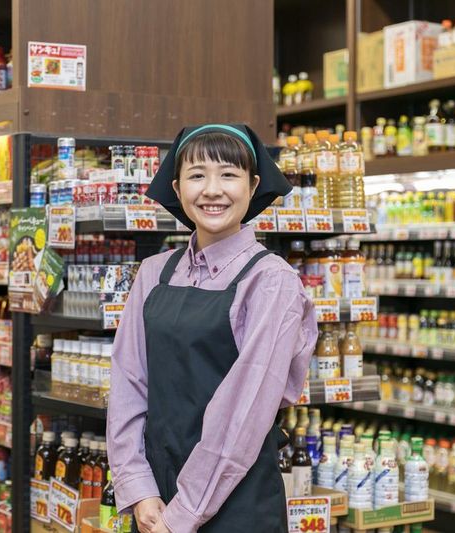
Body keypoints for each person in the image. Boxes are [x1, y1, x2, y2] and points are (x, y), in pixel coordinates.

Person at [106, 124, 318, 533]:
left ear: (253, 185)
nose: (212, 190)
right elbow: (128, 383)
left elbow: (245, 409)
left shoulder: (271, 281)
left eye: (229, 174)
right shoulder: (153, 273)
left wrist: (182, 513)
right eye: (197, 175)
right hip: (156, 500)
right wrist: (138, 488)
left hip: (235, 503)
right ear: (178, 186)